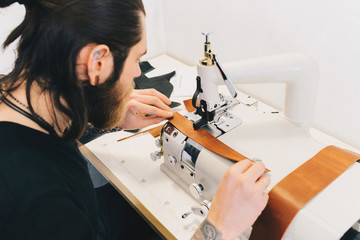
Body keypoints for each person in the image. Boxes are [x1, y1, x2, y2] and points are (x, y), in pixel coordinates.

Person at [0, 0, 270, 240]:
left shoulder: (17, 101)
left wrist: (104, 117)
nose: (137, 71)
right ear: (97, 62)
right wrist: (218, 228)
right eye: (137, 58)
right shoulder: (37, 204)